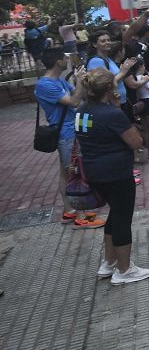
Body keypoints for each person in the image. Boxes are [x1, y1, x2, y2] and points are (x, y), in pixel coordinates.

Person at [75, 68, 149, 285]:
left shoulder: (81, 110)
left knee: (114, 215)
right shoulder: (111, 114)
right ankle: (124, 270)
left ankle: (108, 263)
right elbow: (136, 142)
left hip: (93, 171)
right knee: (122, 219)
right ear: (110, 89)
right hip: (116, 173)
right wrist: (119, 109)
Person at [35, 47, 102, 227]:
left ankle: (69, 211)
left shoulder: (59, 82)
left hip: (71, 131)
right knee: (76, 174)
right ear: (58, 62)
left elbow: (78, 96)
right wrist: (79, 81)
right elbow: (73, 102)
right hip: (65, 134)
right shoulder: (46, 84)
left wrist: (81, 81)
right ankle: (82, 216)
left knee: (66, 172)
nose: (67, 61)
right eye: (64, 58)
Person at [85, 31, 138, 123]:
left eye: (108, 40)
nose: (107, 43)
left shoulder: (107, 58)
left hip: (119, 101)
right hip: (110, 104)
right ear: (94, 44)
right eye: (103, 41)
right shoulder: (96, 61)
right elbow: (102, 84)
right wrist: (123, 72)